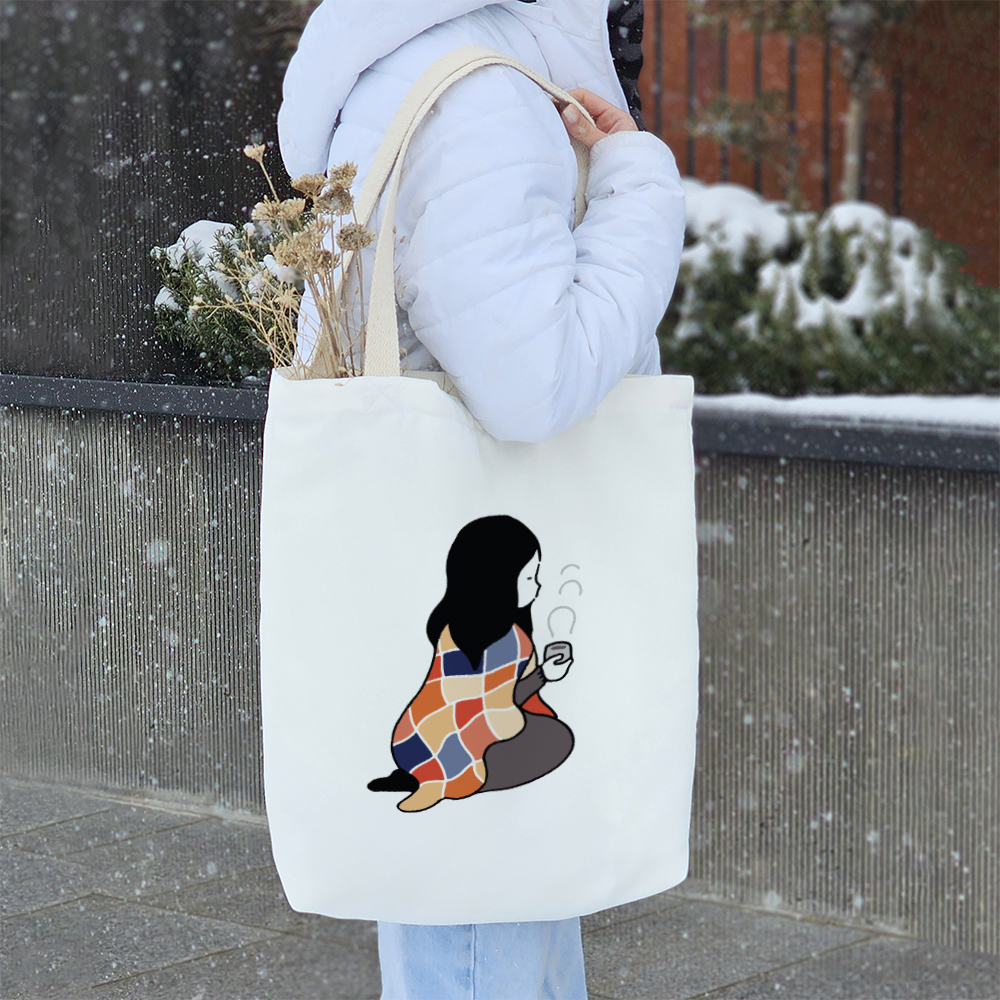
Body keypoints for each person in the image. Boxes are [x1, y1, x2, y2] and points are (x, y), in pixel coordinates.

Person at [277, 1, 684, 996]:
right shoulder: (479, 94)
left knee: (495, 898)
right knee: (482, 923)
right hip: (483, 524)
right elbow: (532, 384)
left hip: (442, 546)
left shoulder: (436, 62)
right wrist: (636, 185)